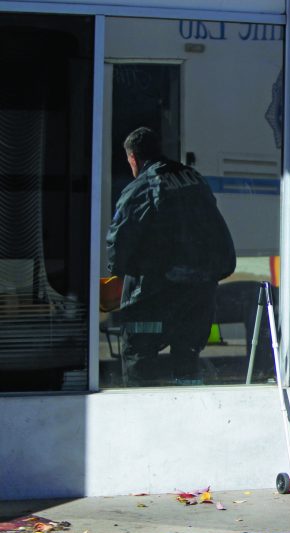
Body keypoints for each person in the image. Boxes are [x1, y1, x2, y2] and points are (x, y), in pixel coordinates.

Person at [106, 127, 235, 386]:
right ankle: (187, 417)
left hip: (155, 296)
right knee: (187, 363)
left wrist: (118, 272)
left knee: (139, 361)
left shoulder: (141, 186)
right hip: (199, 293)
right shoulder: (194, 178)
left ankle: (141, 419)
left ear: (133, 159)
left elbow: (119, 241)